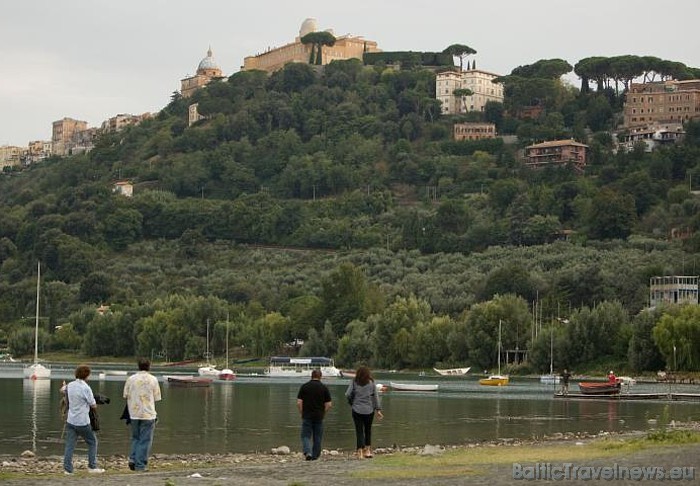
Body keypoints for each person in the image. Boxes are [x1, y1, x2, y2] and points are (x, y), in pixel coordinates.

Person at [63, 364, 105, 475]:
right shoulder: (86, 388)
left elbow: (63, 390)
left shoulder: (70, 385)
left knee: (70, 445)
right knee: (92, 442)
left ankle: (67, 469)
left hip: (71, 420)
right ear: (87, 375)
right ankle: (92, 466)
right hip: (82, 421)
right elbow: (93, 405)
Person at [123, 357, 162, 472]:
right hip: (148, 413)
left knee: (135, 437)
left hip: (134, 413)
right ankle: (140, 464)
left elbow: (125, 395)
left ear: (138, 366)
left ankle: (133, 458)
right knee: (145, 440)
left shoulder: (131, 379)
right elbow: (157, 397)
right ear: (149, 366)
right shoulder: (153, 379)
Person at [345, 366, 383, 459]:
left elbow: (347, 394)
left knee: (359, 431)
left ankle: (360, 452)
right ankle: (368, 451)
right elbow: (375, 397)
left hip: (356, 409)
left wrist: (352, 402)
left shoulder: (354, 382)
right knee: (368, 430)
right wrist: (378, 410)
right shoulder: (371, 383)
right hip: (369, 410)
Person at [296, 369, 332, 460]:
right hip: (319, 415)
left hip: (307, 415)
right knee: (318, 436)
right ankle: (315, 455)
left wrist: (301, 412)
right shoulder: (324, 388)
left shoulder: (304, 387)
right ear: (320, 376)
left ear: (311, 376)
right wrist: (323, 412)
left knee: (305, 435)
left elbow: (299, 402)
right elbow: (329, 404)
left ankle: (308, 452)